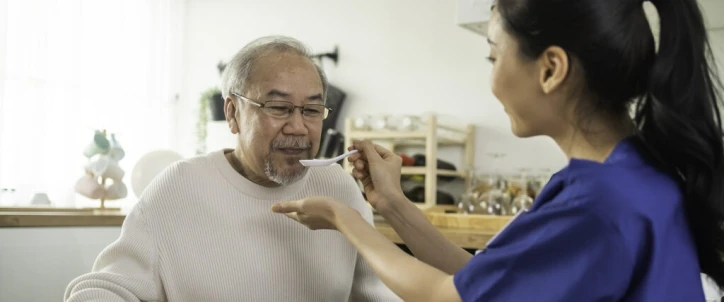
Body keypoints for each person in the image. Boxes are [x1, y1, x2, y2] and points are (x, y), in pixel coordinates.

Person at [271, 0, 724, 301]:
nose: (491, 80)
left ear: (550, 69)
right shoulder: (634, 174)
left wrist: (340, 217)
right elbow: (485, 283)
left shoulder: (598, 205)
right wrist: (393, 205)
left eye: (493, 57)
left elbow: (447, 296)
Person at [64, 36, 400, 301]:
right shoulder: (178, 187)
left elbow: (381, 295)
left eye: (312, 110)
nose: (299, 127)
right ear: (232, 113)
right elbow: (104, 289)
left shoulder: (339, 188)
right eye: (279, 107)